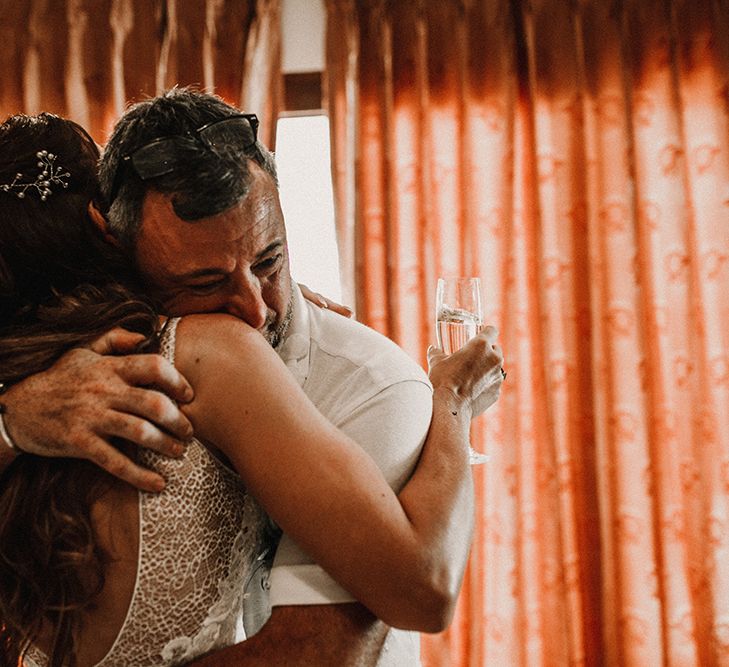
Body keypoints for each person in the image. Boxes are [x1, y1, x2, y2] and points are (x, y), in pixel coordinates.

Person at [0, 94, 504, 666]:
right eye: (205, 278)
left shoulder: (367, 379)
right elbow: (422, 588)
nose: (256, 309)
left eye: (270, 261)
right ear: (113, 243)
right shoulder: (205, 355)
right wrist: (456, 399)